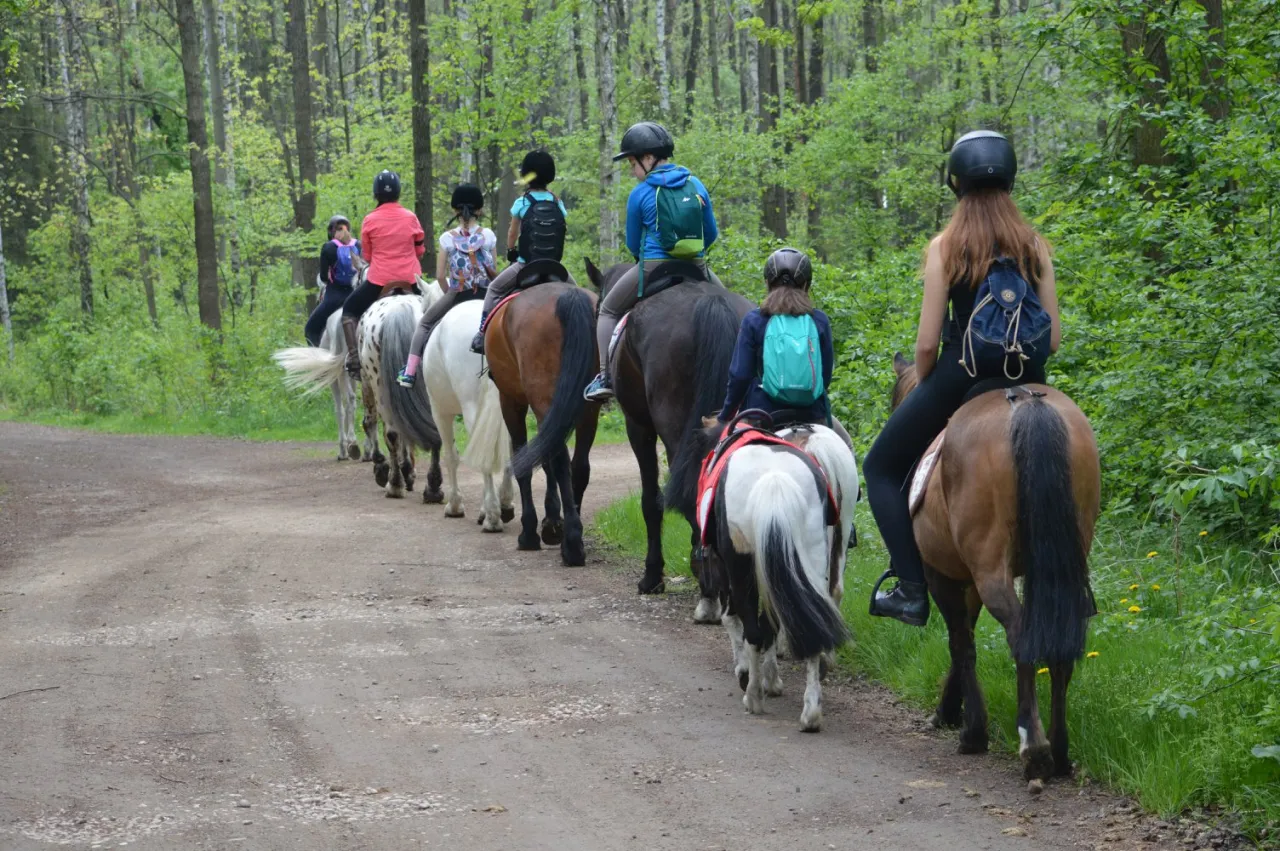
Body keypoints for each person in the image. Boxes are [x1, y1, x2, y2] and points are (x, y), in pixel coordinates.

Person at [863, 130, 1061, 627]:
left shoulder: (947, 246)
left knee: (881, 467)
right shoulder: (1034, 244)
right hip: (1030, 374)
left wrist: (926, 383)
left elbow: (927, 344)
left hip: (964, 375)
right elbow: (1053, 338)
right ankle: (1072, 580)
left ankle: (910, 588)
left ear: (956, 185)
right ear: (1011, 181)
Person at [583, 121, 724, 402]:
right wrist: (692, 255)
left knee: (608, 310)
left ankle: (604, 377)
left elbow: (633, 243)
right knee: (729, 303)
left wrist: (649, 258)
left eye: (633, 163)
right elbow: (711, 233)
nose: (633, 171)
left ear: (649, 159)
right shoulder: (695, 184)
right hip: (696, 265)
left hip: (654, 265)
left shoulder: (641, 192)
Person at [716, 247, 852, 450]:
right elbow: (824, 378)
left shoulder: (754, 320)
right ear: (807, 284)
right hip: (812, 415)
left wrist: (725, 417)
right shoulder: (819, 320)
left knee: (720, 455)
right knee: (846, 446)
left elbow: (740, 376)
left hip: (761, 416)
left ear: (767, 283)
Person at [397, 184, 497, 387]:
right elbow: (493, 270)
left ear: (455, 210)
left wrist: (451, 294)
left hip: (459, 292)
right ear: (479, 210)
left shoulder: (447, 239)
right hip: (486, 293)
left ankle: (409, 372)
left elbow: (440, 275)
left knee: (425, 324)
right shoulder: (488, 236)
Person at [470, 150, 569, 355]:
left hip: (527, 264)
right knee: (581, 295)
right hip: (554, 266)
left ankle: (481, 334)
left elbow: (512, 232)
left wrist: (511, 251)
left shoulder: (522, 203)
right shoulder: (557, 202)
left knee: (495, 289)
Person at [341, 169, 426, 379]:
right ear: (398, 192)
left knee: (349, 311)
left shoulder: (369, 220)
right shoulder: (411, 217)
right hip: (411, 279)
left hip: (379, 281)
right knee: (438, 311)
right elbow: (420, 251)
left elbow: (368, 256)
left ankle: (353, 359)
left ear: (375, 194)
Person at [304, 214, 363, 346]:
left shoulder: (328, 247)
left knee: (310, 329)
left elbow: (324, 278)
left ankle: (317, 360)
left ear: (331, 231)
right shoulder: (359, 245)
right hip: (357, 295)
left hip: (335, 297)